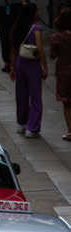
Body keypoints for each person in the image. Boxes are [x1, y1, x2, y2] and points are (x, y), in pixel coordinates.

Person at [12, 1, 47, 137]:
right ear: (33, 13)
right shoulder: (36, 28)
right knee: (35, 97)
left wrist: (13, 66)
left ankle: (21, 123)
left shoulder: (18, 27)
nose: (38, 13)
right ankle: (32, 127)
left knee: (21, 94)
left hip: (20, 61)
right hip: (32, 64)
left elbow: (13, 48)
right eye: (37, 11)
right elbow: (40, 48)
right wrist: (44, 66)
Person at [48, 7, 71, 141]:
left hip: (64, 73)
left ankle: (70, 132)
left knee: (67, 104)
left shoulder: (57, 37)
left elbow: (52, 55)